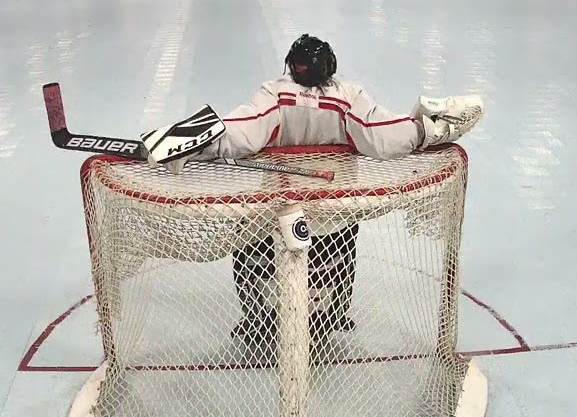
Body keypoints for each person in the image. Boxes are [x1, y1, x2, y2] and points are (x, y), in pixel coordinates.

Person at [139, 35, 483, 346]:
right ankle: (331, 317)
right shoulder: (348, 96)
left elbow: (239, 133)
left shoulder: (276, 93)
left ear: (292, 67)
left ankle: (257, 323)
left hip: (272, 212)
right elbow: (384, 136)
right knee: (339, 256)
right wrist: (426, 130)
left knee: (249, 255)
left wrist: (178, 141)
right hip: (332, 213)